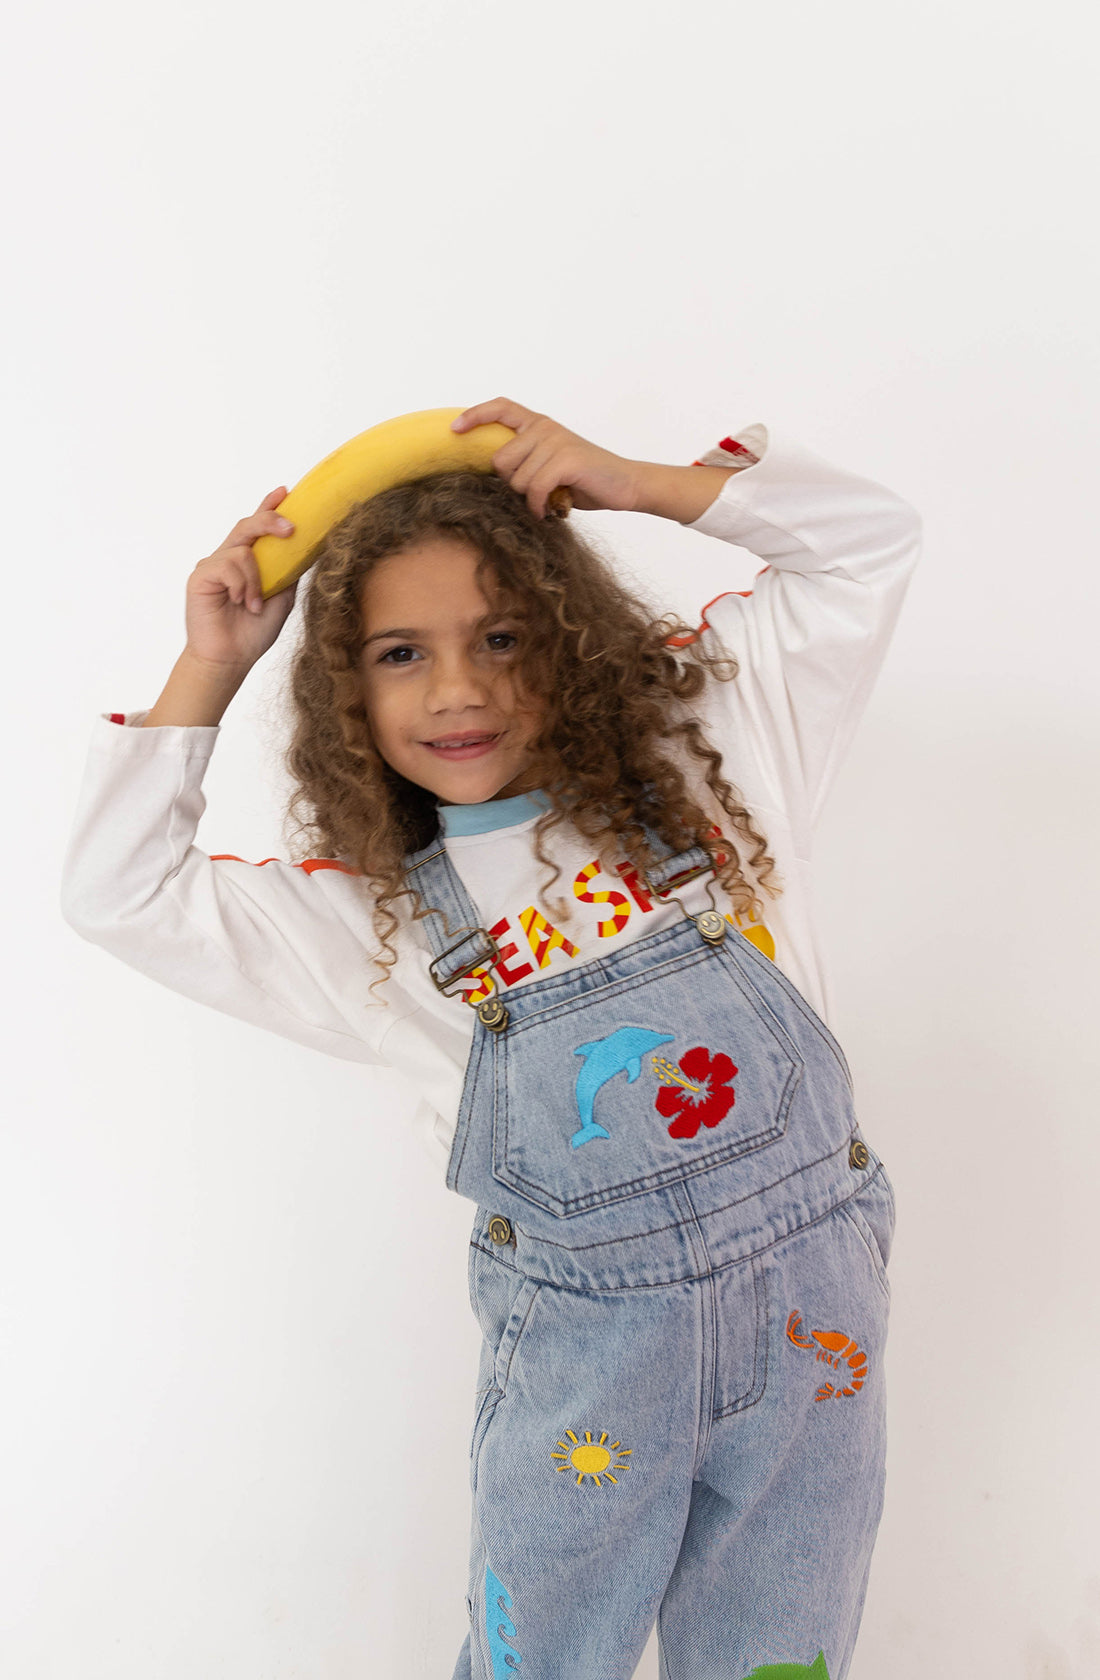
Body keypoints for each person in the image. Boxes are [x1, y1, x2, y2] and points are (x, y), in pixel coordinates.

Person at [60, 396, 921, 1680]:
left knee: (780, 1651)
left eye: (501, 637)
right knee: (542, 1659)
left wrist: (636, 480)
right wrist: (213, 664)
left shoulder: (717, 751)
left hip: (815, 1320)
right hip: (589, 1365)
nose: (456, 690)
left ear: (571, 638)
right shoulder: (365, 918)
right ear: (342, 686)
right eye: (399, 653)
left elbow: (868, 544)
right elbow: (114, 892)